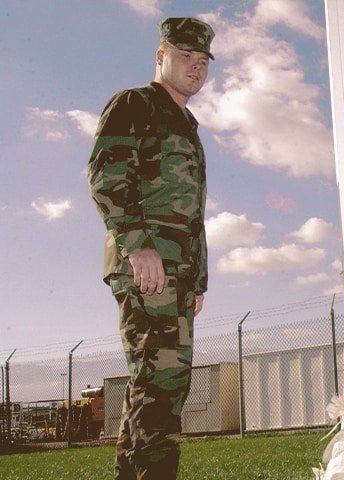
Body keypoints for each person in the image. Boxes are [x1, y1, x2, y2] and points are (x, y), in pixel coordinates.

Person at [87, 17, 214, 479]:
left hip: (176, 273)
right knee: (162, 387)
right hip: (148, 266)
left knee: (155, 386)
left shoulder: (186, 123)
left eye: (202, 61)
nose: (196, 67)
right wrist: (139, 247)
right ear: (160, 56)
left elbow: (191, 213)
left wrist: (197, 278)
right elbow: (106, 176)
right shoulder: (136, 104)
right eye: (185, 57)